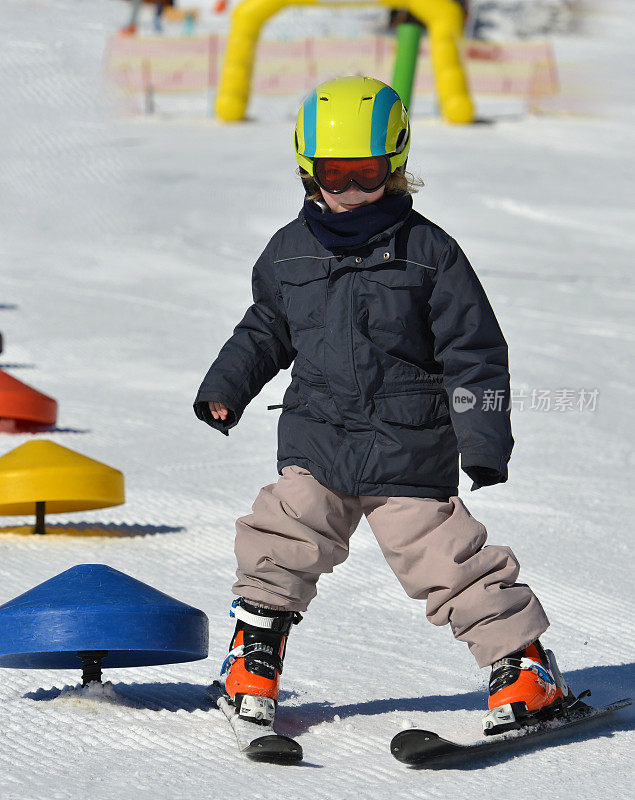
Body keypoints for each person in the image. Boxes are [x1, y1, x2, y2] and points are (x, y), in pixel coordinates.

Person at [194, 76, 572, 736]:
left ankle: (523, 668)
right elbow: (265, 327)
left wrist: (482, 439)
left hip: (408, 446)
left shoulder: (430, 254)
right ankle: (251, 659)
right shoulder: (289, 250)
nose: (347, 192)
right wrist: (227, 386)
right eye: (332, 175)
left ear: (394, 166)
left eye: (364, 174)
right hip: (319, 441)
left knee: (448, 561)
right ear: (308, 172)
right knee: (281, 537)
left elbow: (473, 352)